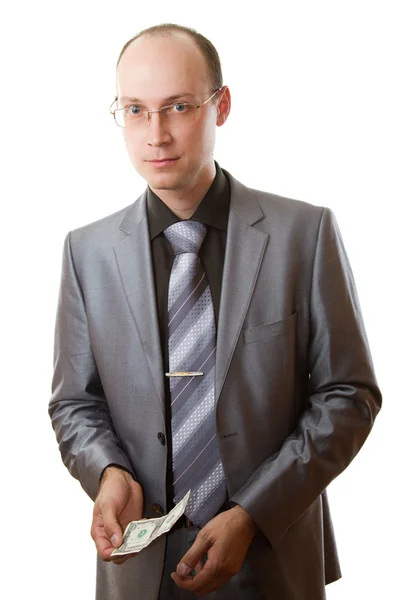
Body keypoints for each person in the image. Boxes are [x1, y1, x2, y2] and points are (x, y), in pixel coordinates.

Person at [48, 22, 382, 600]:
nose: (156, 134)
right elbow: (75, 401)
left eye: (177, 106)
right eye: (135, 109)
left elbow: (350, 395)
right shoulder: (87, 251)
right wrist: (107, 472)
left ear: (220, 106)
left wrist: (253, 512)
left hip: (271, 560)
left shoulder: (304, 234)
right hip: (137, 570)